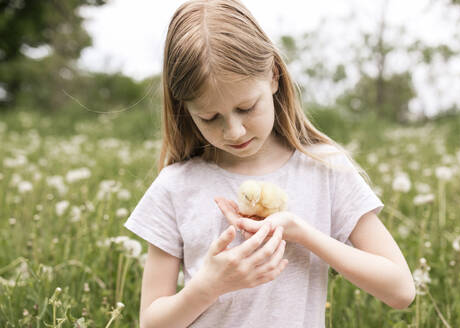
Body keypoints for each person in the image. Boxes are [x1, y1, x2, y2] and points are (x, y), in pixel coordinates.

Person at [123, 0, 416, 327]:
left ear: (274, 76)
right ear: (185, 110)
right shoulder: (176, 185)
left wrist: (302, 233)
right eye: (210, 117)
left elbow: (400, 290)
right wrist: (209, 286)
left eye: (247, 108)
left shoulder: (324, 170)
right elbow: (151, 322)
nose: (233, 130)